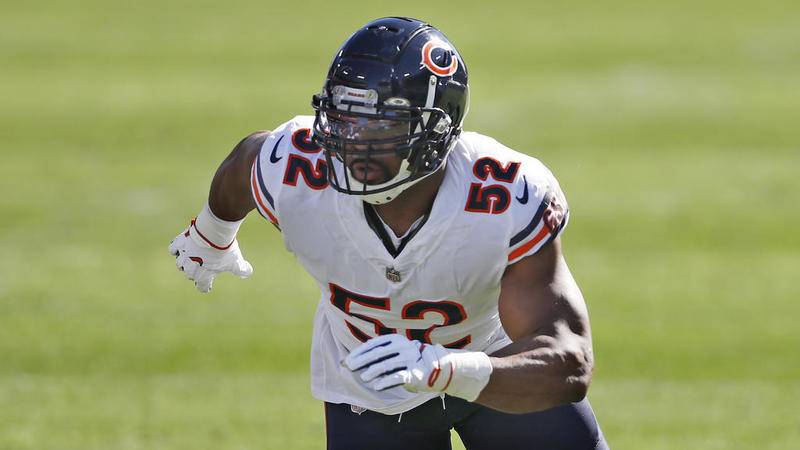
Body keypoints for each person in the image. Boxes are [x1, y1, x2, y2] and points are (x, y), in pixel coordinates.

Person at [169, 16, 608, 450]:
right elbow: (247, 160)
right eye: (345, 118)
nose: (355, 141)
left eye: (382, 124)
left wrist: (447, 369)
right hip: (369, 390)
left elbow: (569, 361)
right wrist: (212, 231)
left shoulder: (501, 193)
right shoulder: (299, 167)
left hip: (491, 362)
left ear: (437, 128)